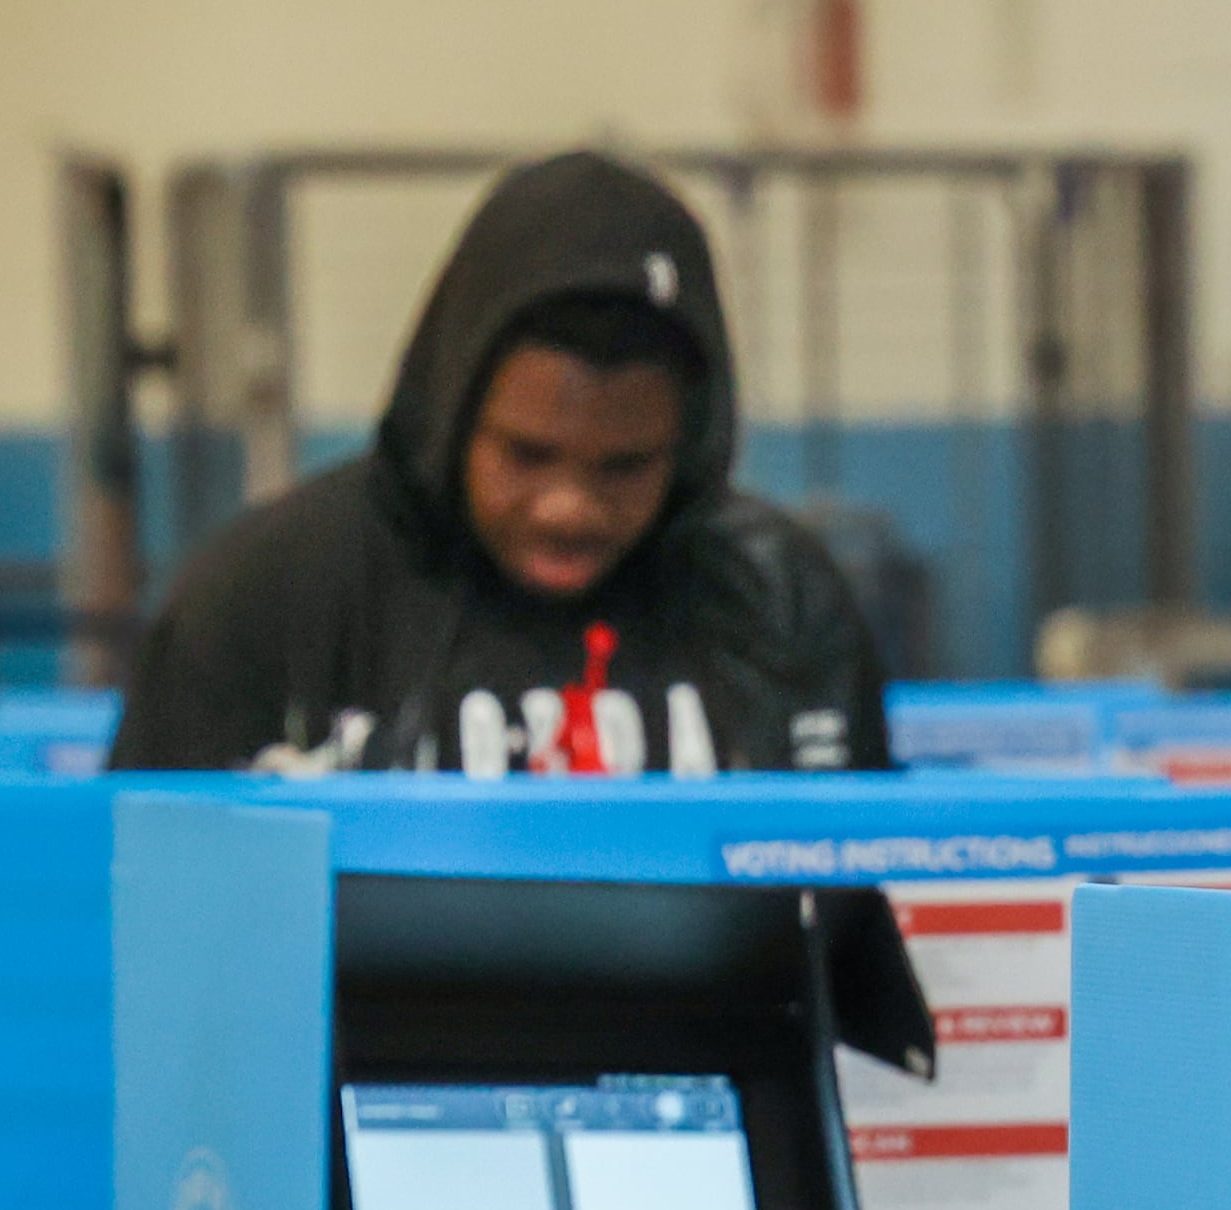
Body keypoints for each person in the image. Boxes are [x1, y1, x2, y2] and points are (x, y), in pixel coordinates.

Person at [111, 151, 890, 775]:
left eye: (625, 466)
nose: (568, 506)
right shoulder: (268, 601)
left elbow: (852, 930)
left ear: (686, 448)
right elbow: (147, 920)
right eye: (526, 454)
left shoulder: (778, 605)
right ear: (453, 415)